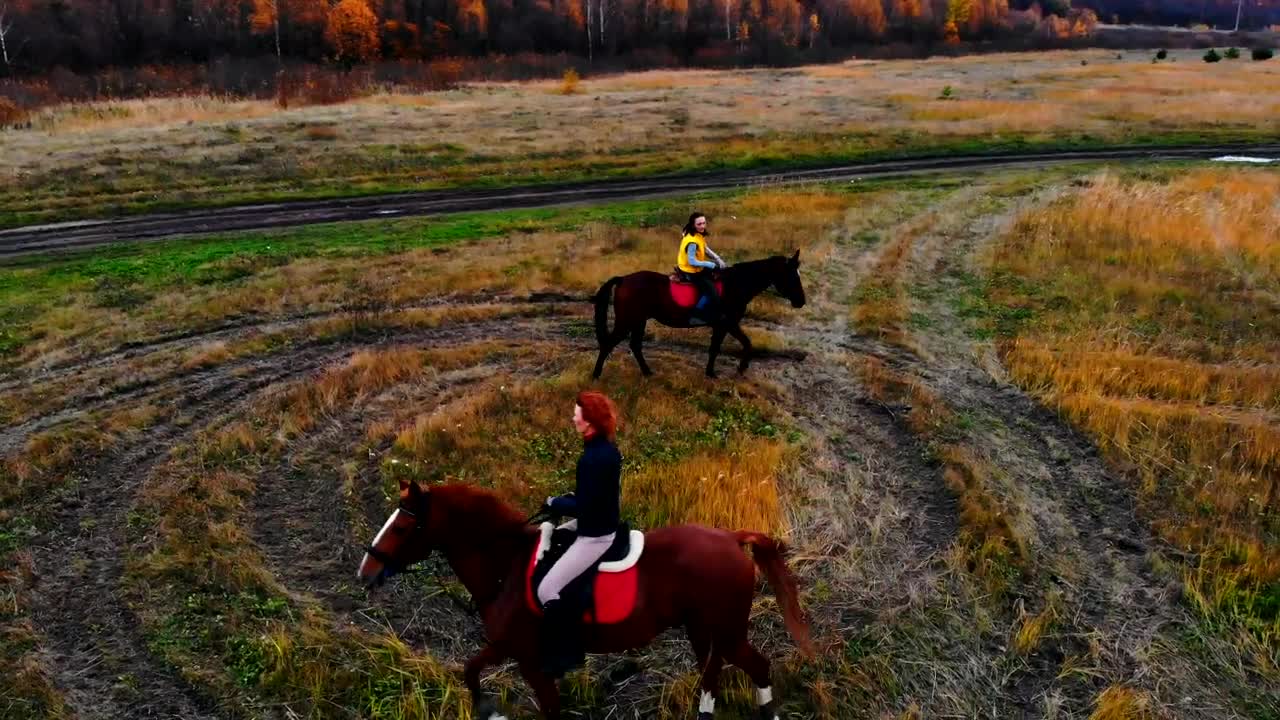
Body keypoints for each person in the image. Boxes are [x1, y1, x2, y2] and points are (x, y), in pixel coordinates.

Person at [537, 390, 623, 677]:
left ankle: (567, 654)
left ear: (589, 420)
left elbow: (585, 507)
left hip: (595, 535)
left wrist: (554, 503)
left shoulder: (592, 459)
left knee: (546, 589)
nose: (573, 418)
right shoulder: (605, 449)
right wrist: (573, 498)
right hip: (600, 522)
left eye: (576, 414)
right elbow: (598, 495)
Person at [676, 211, 727, 322]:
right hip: (691, 270)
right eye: (699, 224)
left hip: (696, 268)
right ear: (693, 225)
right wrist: (711, 264)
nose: (703, 226)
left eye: (704, 223)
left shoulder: (696, 234)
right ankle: (696, 315)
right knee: (711, 292)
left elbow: (705, 248)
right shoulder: (692, 242)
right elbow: (692, 261)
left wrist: (718, 259)